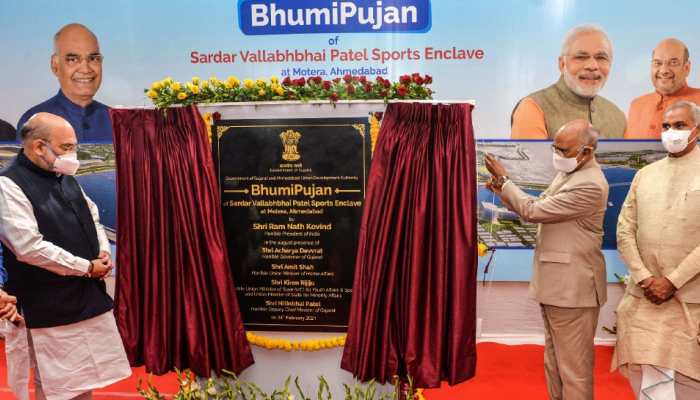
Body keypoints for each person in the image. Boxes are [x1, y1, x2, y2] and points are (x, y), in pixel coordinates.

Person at [0, 112, 130, 400]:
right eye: (67, 147)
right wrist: (86, 267)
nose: (73, 154)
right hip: (47, 307)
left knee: (85, 383)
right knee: (59, 389)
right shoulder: (9, 185)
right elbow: (28, 247)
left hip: (84, 299)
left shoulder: (63, 175)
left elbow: (92, 215)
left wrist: (102, 252)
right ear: (37, 147)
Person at [486, 119, 609, 399]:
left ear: (586, 152)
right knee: (555, 364)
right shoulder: (571, 173)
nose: (556, 154)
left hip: (573, 290)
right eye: (555, 147)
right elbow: (539, 205)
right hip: (559, 288)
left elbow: (533, 211)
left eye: (563, 150)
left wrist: (506, 180)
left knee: (573, 372)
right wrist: (501, 191)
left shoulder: (589, 184)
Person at [612, 100, 700, 398]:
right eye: (666, 126)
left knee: (687, 382)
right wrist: (645, 278)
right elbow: (624, 230)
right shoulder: (645, 175)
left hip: (689, 302)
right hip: (644, 297)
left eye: (679, 126)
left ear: (696, 130)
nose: (671, 132)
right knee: (645, 377)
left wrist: (672, 281)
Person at [511, 24, 626, 139]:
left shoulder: (618, 117)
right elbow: (532, 156)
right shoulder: (533, 108)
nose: (592, 66)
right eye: (581, 57)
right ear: (562, 64)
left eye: (601, 58)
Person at [16, 23, 112, 142]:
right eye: (72, 59)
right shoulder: (34, 122)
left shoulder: (118, 122)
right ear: (55, 66)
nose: (86, 69)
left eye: (93, 58)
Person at [625, 39, 700, 138]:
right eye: (658, 63)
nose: (664, 70)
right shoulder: (637, 105)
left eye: (673, 63)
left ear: (686, 68)